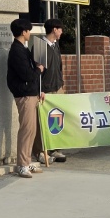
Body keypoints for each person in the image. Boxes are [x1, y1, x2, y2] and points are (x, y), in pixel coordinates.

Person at [6, 17, 43, 178]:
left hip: (31, 93)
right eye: (28, 31)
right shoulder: (17, 51)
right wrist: (39, 70)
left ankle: (27, 161)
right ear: (23, 32)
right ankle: (22, 165)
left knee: (31, 130)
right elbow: (27, 74)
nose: (29, 33)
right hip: (24, 94)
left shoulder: (23, 49)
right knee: (26, 130)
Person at [33, 19, 67, 164]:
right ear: (54, 29)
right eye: (60, 29)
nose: (61, 32)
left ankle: (55, 149)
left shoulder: (56, 45)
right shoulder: (40, 46)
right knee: (42, 122)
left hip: (57, 88)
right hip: (45, 91)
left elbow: (59, 67)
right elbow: (37, 71)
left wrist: (61, 84)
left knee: (57, 120)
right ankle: (40, 151)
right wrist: (40, 89)